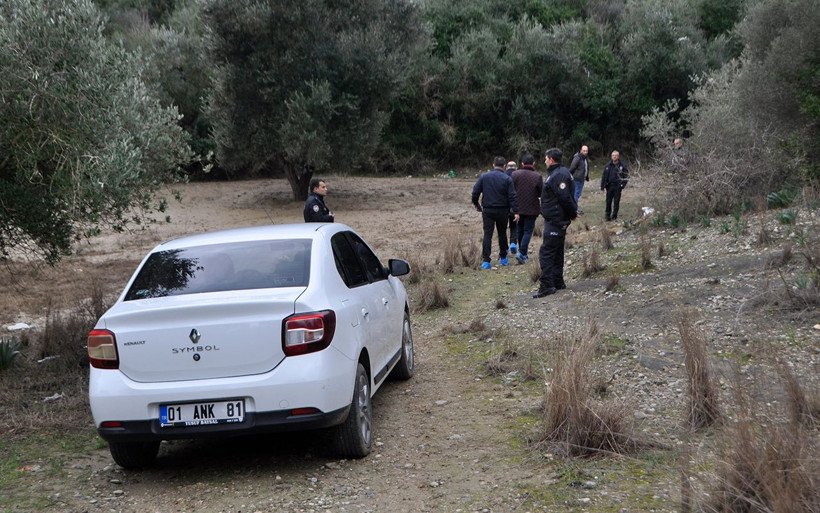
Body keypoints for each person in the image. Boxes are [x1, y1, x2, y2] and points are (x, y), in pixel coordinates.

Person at [534, 148, 577, 298]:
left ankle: (547, 285)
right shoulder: (558, 173)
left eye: (546, 158)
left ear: (551, 159)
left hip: (556, 219)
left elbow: (565, 198)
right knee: (557, 251)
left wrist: (573, 213)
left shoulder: (559, 175)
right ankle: (557, 281)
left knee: (546, 253)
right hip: (555, 219)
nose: (544, 161)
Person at [472, 156, 520, 269]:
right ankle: (503, 257)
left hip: (488, 210)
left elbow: (475, 192)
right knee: (502, 233)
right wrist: (516, 211)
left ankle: (486, 260)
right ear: (504, 166)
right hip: (503, 210)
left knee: (487, 234)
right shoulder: (507, 179)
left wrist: (476, 204)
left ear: (493, 165)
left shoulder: (484, 177)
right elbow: (512, 196)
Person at [510, 154, 543, 264]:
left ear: (522, 164)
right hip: (531, 208)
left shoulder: (515, 174)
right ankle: (522, 252)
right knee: (528, 231)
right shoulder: (537, 176)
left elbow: (511, 189)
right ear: (533, 163)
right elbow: (540, 193)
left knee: (520, 229)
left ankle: (522, 252)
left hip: (518, 208)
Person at [600, 150, 628, 222]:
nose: (614, 157)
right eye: (613, 155)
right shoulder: (608, 165)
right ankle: (607, 215)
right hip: (609, 186)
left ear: (618, 156)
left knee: (616, 202)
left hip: (618, 186)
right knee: (608, 201)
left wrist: (622, 185)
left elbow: (626, 176)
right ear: (611, 156)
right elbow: (604, 176)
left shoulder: (622, 166)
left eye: (615, 155)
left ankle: (614, 216)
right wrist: (602, 186)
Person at [568, 145, 589, 213]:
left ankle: (574, 207)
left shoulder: (585, 158)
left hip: (582, 179)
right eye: (584, 151)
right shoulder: (578, 158)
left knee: (578, 194)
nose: (585, 152)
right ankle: (574, 209)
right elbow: (572, 167)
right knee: (576, 194)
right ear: (581, 150)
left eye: (586, 151)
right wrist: (571, 175)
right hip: (576, 179)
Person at [505, 161, 519, 255]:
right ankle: (513, 243)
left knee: (502, 228)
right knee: (514, 226)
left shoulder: (503, 176)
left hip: (504, 206)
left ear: (506, 167)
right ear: (516, 168)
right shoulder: (518, 176)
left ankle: (504, 248)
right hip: (515, 204)